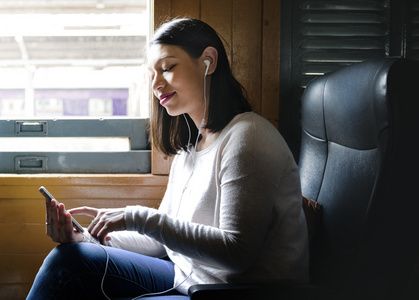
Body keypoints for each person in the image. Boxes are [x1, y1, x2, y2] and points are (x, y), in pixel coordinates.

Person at [27, 18, 309, 299]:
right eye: (152, 75)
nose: (157, 84)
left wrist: (137, 217)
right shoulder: (189, 151)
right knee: (71, 257)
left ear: (208, 61)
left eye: (168, 68)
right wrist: (87, 238)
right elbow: (159, 241)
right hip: (185, 276)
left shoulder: (248, 136)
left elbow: (237, 253)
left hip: (232, 291)